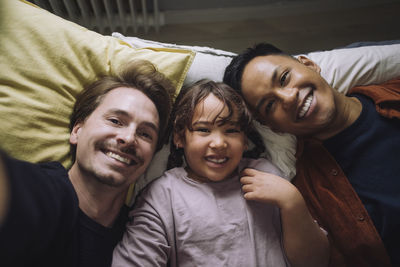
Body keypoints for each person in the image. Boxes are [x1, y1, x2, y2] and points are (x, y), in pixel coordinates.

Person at [112, 79, 329, 267]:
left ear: (245, 140)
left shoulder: (266, 174)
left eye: (231, 130)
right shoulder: (162, 197)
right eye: (204, 130)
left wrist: (292, 202)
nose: (219, 143)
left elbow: (316, 262)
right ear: (179, 137)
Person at [223, 43, 400, 267]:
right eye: (270, 105)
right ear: (273, 127)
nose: (288, 98)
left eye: (284, 78)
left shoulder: (393, 94)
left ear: (309, 64)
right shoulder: (312, 194)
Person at [0, 59, 175, 267]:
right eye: (115, 121)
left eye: (145, 134)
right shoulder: (42, 191)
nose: (129, 138)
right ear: (77, 130)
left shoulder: (146, 234)